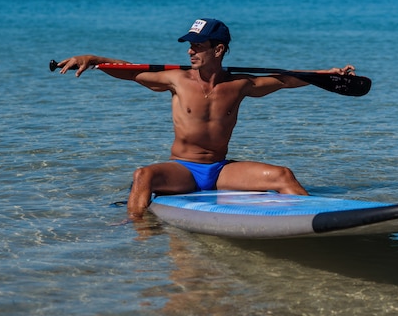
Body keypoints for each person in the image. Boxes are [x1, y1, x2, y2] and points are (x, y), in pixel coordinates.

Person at [57, 18, 355, 221]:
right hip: (183, 170)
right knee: (143, 175)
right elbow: (130, 70)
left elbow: (286, 80)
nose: (190, 50)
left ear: (219, 49)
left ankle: (310, 220)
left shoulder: (240, 85)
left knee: (283, 175)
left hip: (220, 170)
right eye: (190, 45)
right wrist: (94, 59)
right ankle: (138, 232)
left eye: (197, 45)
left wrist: (324, 75)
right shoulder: (176, 80)